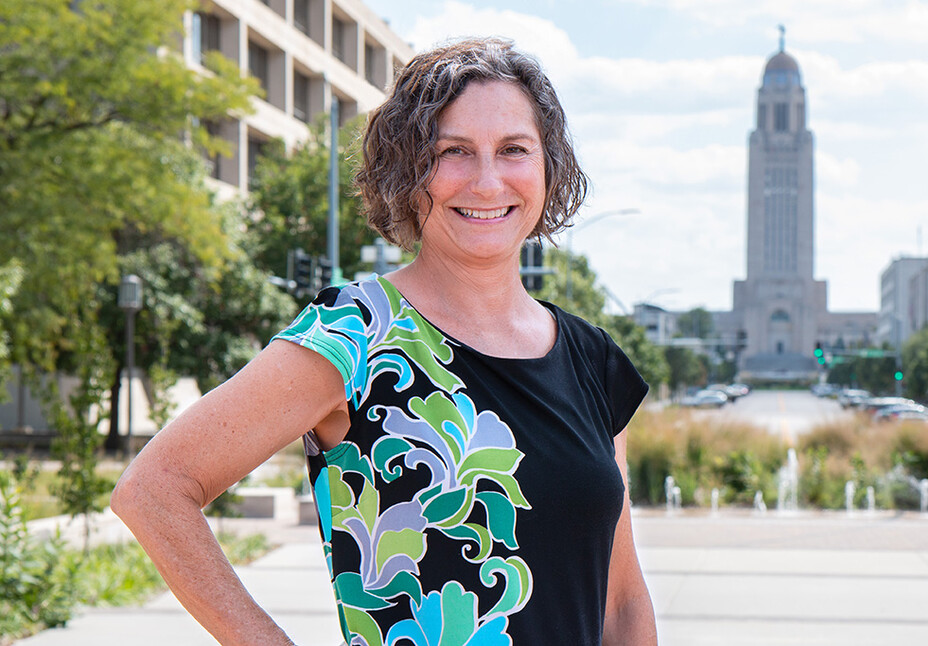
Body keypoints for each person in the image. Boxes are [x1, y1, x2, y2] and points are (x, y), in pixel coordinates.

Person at [111, 36, 657, 646]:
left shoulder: (593, 359)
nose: (485, 180)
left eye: (513, 150)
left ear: (547, 167)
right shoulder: (356, 334)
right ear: (407, 169)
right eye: (454, 151)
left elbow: (623, 601)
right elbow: (155, 490)